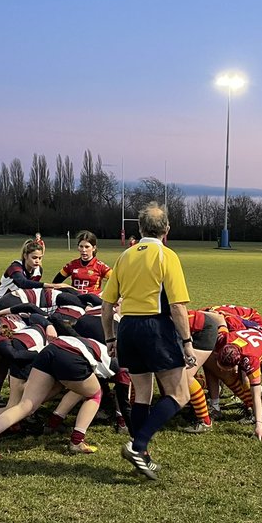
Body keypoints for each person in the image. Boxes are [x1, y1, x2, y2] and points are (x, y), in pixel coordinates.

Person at [101, 201, 194, 480]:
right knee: (179, 394)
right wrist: (187, 341)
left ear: (139, 228)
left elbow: (107, 306)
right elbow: (177, 306)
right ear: (166, 228)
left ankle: (142, 455)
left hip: (127, 327)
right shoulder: (167, 256)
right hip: (155, 327)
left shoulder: (124, 257)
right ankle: (137, 445)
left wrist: (110, 338)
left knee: (142, 394)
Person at [52, 231, 111, 305]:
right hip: (76, 300)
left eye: (87, 247)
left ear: (94, 248)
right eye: (81, 246)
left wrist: (104, 294)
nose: (83, 250)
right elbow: (56, 282)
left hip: (93, 301)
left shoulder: (100, 266)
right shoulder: (72, 265)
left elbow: (116, 280)